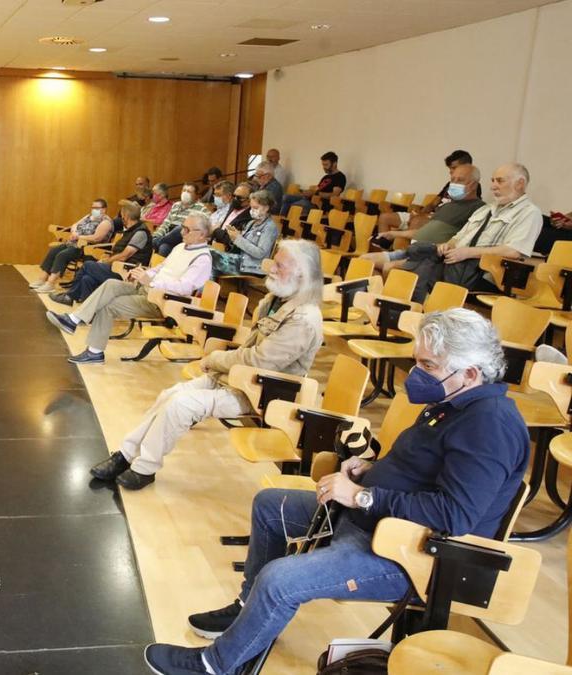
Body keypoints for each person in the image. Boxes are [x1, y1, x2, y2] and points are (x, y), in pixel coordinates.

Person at [143, 308, 529, 675]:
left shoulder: (489, 426)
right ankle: (248, 612)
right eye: (417, 361)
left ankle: (216, 666)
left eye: (427, 366)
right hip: (378, 523)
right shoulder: (452, 402)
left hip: (414, 555)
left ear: (471, 373)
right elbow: (423, 472)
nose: (415, 373)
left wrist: (362, 495)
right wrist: (371, 471)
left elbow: (453, 516)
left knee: (280, 581)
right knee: (269, 505)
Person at [89, 239, 324, 491]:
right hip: (239, 379)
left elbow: (260, 360)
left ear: (302, 272)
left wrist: (215, 360)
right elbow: (249, 354)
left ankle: (144, 468)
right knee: (170, 394)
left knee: (181, 405)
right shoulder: (276, 299)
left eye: (280, 265)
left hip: (266, 393)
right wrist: (222, 366)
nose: (271, 269)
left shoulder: (304, 319)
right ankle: (125, 456)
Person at [47, 213, 214, 364]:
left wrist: (152, 282)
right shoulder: (179, 247)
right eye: (182, 228)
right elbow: (161, 268)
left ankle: (94, 351)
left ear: (201, 234)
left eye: (186, 229)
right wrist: (143, 273)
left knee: (109, 306)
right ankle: (74, 320)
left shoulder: (202, 258)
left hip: (166, 302)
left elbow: (185, 287)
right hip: (149, 290)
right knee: (111, 284)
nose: (182, 232)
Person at [403, 163, 542, 302]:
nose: (493, 186)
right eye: (492, 181)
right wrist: (447, 245)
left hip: (484, 273)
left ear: (520, 184)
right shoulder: (486, 209)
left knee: (421, 269)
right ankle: (415, 309)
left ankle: (415, 309)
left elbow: (513, 251)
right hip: (457, 263)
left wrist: (468, 252)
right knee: (421, 253)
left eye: (500, 181)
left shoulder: (530, 213)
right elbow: (458, 238)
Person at [362, 164, 485, 272]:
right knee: (364, 261)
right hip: (413, 251)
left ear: (473, 185)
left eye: (460, 180)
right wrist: (393, 234)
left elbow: (465, 240)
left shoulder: (479, 209)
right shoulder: (447, 206)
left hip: (430, 257)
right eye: (452, 180)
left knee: (389, 268)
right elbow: (423, 231)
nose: (454, 183)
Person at [50, 200, 153, 306]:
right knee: (87, 279)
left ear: (126, 216)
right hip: (117, 267)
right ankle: (88, 309)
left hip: (126, 272)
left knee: (88, 265)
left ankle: (69, 296)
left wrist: (105, 261)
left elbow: (124, 256)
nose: (120, 218)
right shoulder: (130, 230)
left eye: (121, 215)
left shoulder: (140, 233)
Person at [375, 150, 478, 237]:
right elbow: (433, 203)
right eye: (450, 169)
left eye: (454, 168)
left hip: (440, 220)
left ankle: (405, 253)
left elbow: (458, 214)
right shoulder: (449, 184)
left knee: (417, 221)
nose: (451, 172)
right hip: (429, 216)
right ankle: (383, 244)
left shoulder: (472, 188)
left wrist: (425, 216)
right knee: (385, 217)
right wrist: (420, 212)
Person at [30, 198, 113, 293]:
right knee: (54, 251)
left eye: (97, 208)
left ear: (104, 209)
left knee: (62, 255)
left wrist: (79, 237)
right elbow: (74, 225)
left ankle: (50, 283)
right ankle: (42, 279)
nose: (94, 210)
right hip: (74, 243)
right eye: (93, 207)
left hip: (87, 248)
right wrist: (74, 233)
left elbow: (96, 238)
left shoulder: (106, 222)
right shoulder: (88, 216)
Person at [211, 190, 279, 276]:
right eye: (251, 207)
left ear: (266, 208)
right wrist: (234, 236)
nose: (252, 210)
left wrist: (238, 238)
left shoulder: (270, 227)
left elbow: (260, 253)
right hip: (240, 260)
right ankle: (209, 288)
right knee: (207, 253)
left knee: (211, 257)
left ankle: (206, 287)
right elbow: (242, 245)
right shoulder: (251, 223)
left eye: (256, 208)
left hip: (251, 267)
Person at [277, 151, 347, 217]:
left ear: (334, 163)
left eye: (326, 165)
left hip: (320, 204)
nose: (324, 167)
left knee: (292, 205)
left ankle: (282, 223)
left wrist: (316, 193)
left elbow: (334, 195)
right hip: (310, 198)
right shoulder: (326, 177)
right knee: (285, 197)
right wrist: (306, 192)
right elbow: (317, 189)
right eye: (323, 164)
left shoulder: (340, 177)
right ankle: (281, 221)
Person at [152, 184, 211, 255]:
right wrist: (156, 235)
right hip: (170, 238)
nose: (185, 193)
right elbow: (166, 223)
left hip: (186, 238)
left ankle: (157, 241)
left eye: (189, 191)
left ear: (196, 195)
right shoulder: (176, 205)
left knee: (180, 228)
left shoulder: (201, 208)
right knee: (163, 247)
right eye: (184, 190)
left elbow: (207, 227)